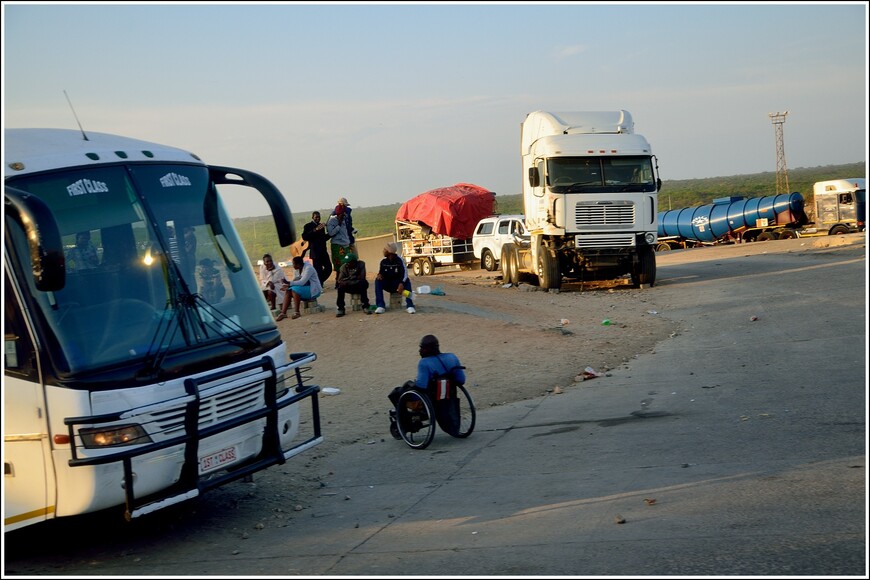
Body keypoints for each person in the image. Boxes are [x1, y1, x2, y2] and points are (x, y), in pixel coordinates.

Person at [387, 334, 466, 437]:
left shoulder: (424, 363)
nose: (419, 351)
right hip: (448, 395)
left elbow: (421, 386)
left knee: (396, 394)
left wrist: (411, 384)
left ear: (427, 349)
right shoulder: (452, 357)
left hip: (429, 397)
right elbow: (461, 380)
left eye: (421, 348)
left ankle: (405, 425)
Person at [276, 256, 323, 321]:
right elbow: (296, 281)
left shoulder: (308, 268)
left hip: (314, 290)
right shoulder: (297, 270)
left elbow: (301, 282)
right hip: (306, 289)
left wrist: (288, 283)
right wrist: (288, 286)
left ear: (298, 264)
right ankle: (283, 313)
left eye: (294, 264)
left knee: (294, 290)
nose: (293, 266)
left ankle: (297, 312)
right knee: (289, 290)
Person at [374, 241, 415, 314]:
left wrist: (401, 283)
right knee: (377, 281)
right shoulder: (383, 261)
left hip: (398, 285)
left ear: (389, 251)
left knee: (407, 281)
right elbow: (381, 273)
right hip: (388, 284)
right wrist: (379, 275)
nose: (383, 251)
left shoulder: (400, 260)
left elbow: (405, 273)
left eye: (385, 249)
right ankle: (380, 306)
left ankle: (410, 305)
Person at [334, 252, 372, 317]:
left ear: (354, 262)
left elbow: (362, 277)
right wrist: (355, 278)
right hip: (349, 286)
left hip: (358, 285)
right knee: (340, 287)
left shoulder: (361, 264)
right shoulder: (343, 267)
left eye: (348, 262)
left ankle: (365, 306)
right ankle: (341, 308)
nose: (347, 264)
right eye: (346, 262)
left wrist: (348, 280)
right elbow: (340, 280)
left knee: (363, 283)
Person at [301, 210, 333, 286]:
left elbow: (323, 238)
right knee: (318, 270)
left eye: (319, 217)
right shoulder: (308, 226)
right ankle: (319, 285)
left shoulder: (321, 226)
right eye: (316, 217)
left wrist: (331, 234)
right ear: (312, 217)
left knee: (329, 268)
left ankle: (318, 282)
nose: (317, 218)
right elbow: (305, 236)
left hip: (323, 252)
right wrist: (315, 230)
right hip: (315, 252)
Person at [326, 204, 352, 284]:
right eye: (342, 214)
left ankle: (345, 279)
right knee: (339, 265)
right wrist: (339, 224)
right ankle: (338, 281)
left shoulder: (345, 219)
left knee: (347, 262)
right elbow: (330, 233)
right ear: (338, 214)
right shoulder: (332, 221)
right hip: (337, 245)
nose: (343, 215)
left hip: (346, 244)